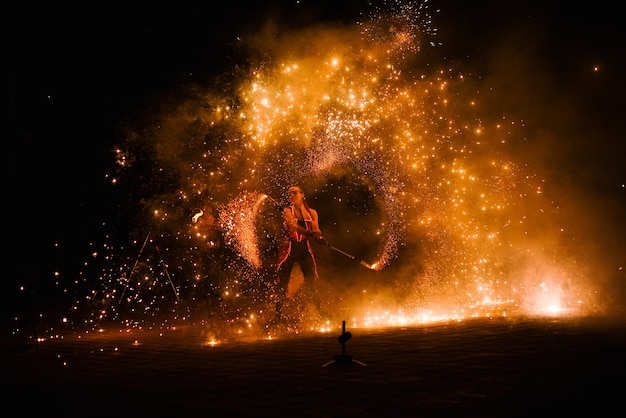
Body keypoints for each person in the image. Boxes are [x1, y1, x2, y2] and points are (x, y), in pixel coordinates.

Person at [273, 185, 328, 320]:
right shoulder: (287, 211)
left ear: (302, 194)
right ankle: (278, 316)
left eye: (294, 193)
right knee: (282, 282)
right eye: (289, 194)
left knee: (311, 281)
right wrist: (306, 232)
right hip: (290, 249)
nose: (291, 195)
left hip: (304, 248)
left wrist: (320, 237)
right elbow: (293, 226)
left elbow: (316, 229)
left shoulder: (312, 213)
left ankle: (321, 313)